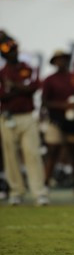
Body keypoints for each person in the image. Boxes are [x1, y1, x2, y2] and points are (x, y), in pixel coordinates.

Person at [0, 37, 49, 206]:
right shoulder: (2, 72)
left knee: (32, 153)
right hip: (7, 117)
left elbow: (34, 87)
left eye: (13, 50)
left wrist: (13, 86)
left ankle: (39, 192)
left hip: (27, 116)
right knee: (10, 156)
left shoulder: (27, 68)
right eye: (8, 51)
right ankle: (16, 191)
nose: (12, 53)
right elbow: (3, 94)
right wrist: (20, 89)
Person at [41, 50, 74, 196]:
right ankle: (45, 185)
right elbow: (44, 102)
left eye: (64, 59)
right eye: (58, 59)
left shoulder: (73, 77)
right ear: (54, 62)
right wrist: (63, 106)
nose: (62, 62)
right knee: (53, 151)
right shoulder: (50, 79)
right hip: (55, 120)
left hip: (73, 121)